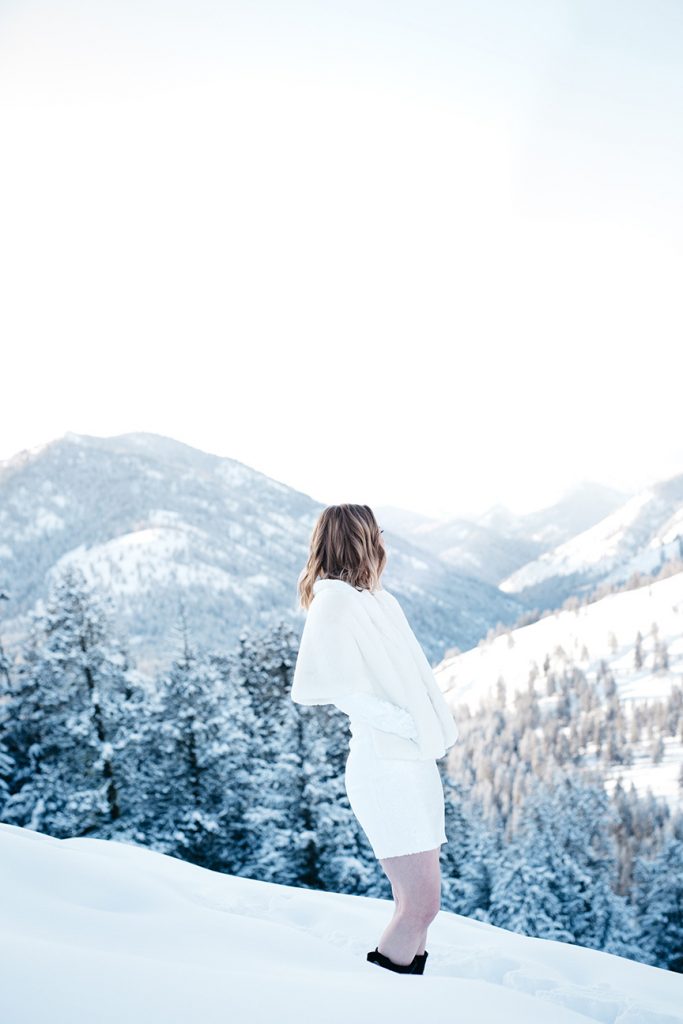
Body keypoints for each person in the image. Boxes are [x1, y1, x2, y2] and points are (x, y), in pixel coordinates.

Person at [290, 504, 459, 976]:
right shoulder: (335, 602)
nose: (384, 541)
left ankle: (403, 998)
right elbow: (335, 686)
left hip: (410, 764)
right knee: (420, 907)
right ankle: (384, 995)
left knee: (424, 906)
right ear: (362, 539)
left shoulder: (377, 601)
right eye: (377, 532)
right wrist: (404, 723)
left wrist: (417, 729)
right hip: (384, 765)